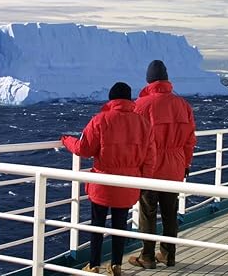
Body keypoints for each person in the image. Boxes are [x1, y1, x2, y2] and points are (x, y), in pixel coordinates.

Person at [61, 82, 155, 276]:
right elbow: (150, 156)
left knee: (97, 224)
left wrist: (66, 140)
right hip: (129, 182)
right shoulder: (143, 123)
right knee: (120, 226)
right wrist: (143, 181)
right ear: (130, 100)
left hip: (103, 183)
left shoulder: (100, 119)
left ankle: (94, 265)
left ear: (111, 99)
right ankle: (116, 266)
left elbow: (84, 149)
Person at [128, 60, 196, 269]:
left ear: (149, 80)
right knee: (170, 212)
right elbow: (190, 139)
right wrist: (186, 163)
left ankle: (147, 257)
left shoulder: (141, 105)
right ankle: (168, 255)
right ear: (166, 79)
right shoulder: (183, 105)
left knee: (148, 212)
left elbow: (135, 139)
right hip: (175, 165)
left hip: (150, 167)